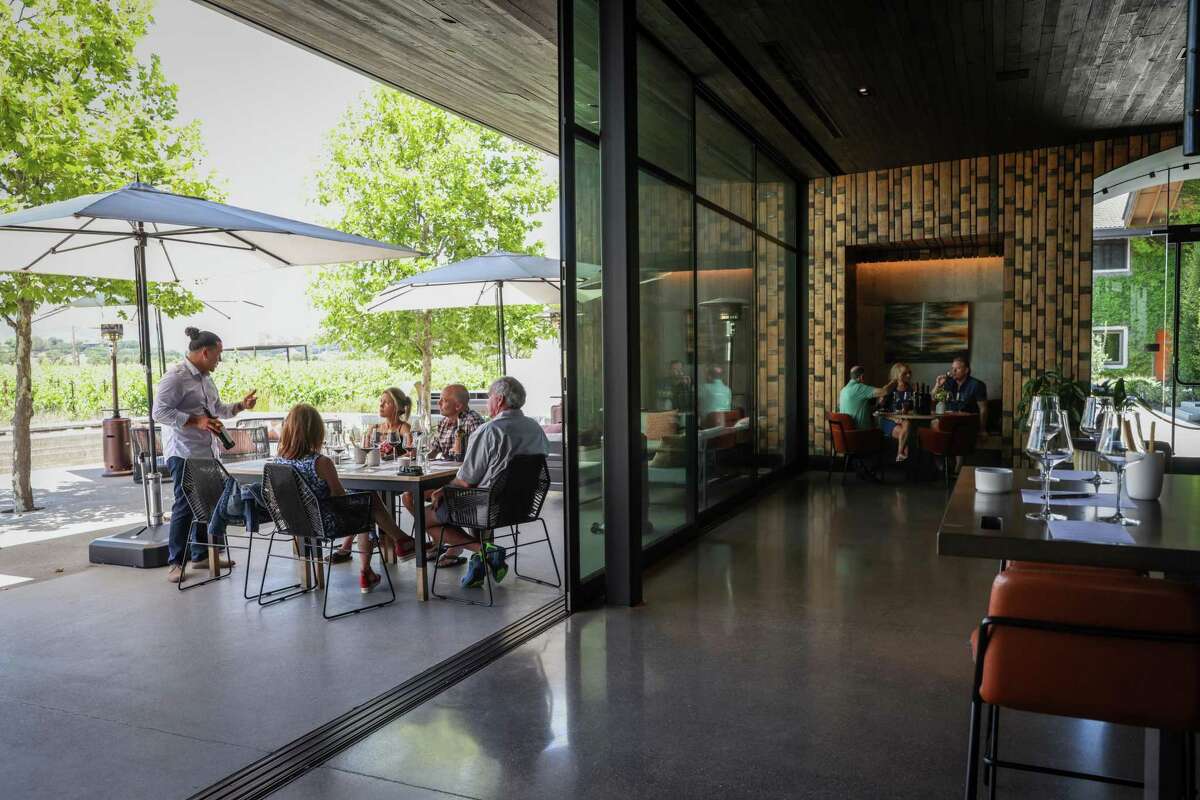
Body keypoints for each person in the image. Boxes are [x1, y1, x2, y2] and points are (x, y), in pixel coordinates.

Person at [273, 404, 418, 593]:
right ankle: (399, 542)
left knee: (363, 503)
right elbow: (340, 498)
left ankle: (375, 565)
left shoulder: (279, 461)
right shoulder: (321, 462)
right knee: (367, 502)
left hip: (294, 521)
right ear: (316, 431)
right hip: (327, 524)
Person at [152, 327, 257, 584]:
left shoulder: (205, 379)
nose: (219, 361)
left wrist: (240, 406)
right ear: (205, 352)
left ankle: (201, 555)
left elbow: (217, 409)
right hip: (183, 452)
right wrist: (195, 422)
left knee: (210, 503)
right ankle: (176, 562)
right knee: (185, 505)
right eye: (218, 355)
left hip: (206, 451)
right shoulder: (175, 377)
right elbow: (159, 413)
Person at [423, 376, 550, 588]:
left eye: (489, 397)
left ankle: (485, 550)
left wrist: (443, 490)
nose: (487, 401)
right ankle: (481, 561)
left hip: (488, 507)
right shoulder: (535, 428)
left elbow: (466, 481)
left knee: (424, 518)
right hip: (524, 506)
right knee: (476, 497)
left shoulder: (489, 431)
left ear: (499, 400)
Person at [329, 387, 412, 564]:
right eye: (380, 401)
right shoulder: (374, 428)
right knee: (363, 496)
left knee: (363, 499)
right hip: (374, 476)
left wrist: (392, 458)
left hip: (393, 480)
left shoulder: (403, 428)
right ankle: (358, 546)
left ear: (397, 407)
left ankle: (347, 546)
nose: (381, 405)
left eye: (386, 402)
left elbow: (411, 452)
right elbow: (364, 451)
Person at [935, 354, 988, 432]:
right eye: (952, 368)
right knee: (934, 423)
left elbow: (983, 409)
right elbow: (934, 397)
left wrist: (982, 429)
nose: (953, 371)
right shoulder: (948, 383)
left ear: (966, 370)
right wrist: (938, 385)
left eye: (958, 368)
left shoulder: (977, 385)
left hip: (967, 422)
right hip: (949, 420)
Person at [881, 362, 915, 462]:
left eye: (909, 373)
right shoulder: (889, 389)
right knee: (906, 435)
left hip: (904, 420)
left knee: (907, 425)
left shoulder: (910, 388)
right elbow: (880, 409)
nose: (908, 375)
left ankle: (900, 455)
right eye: (905, 373)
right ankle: (903, 457)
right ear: (897, 375)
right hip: (889, 420)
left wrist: (908, 410)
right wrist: (893, 418)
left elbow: (914, 407)